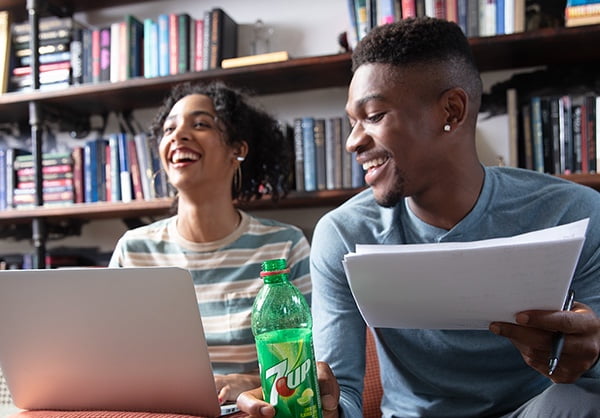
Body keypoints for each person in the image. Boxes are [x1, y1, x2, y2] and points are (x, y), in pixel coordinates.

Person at [237, 17, 600, 417]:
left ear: (452, 111)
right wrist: (317, 402)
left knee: (579, 400)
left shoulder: (572, 213)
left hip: (535, 411)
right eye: (352, 122)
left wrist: (591, 359)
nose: (352, 141)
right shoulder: (343, 234)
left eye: (373, 116)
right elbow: (344, 395)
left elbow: (588, 375)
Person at [109, 81, 311, 404]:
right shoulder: (133, 251)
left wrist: (249, 384)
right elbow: (109, 358)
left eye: (200, 124)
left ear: (237, 150)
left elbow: (312, 366)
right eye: (169, 128)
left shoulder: (285, 247)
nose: (179, 135)